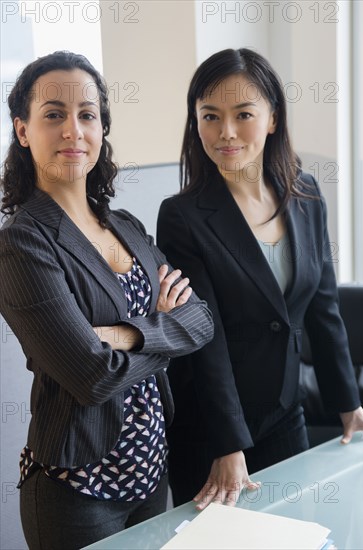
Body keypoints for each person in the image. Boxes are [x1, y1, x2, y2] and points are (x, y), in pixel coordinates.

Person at [0, 51, 213, 550]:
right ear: (24, 130)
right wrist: (163, 328)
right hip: (78, 489)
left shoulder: (127, 228)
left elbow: (201, 320)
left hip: (152, 472)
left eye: (87, 115)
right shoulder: (22, 242)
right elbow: (91, 377)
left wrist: (129, 334)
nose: (73, 129)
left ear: (101, 130)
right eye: (54, 114)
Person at [157, 47, 363, 510]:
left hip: (283, 410)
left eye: (243, 114)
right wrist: (227, 444)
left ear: (272, 118)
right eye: (209, 116)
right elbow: (203, 338)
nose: (225, 132)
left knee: (293, 530)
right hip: (211, 426)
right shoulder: (183, 217)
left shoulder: (306, 193)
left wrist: (346, 403)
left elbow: (322, 309)